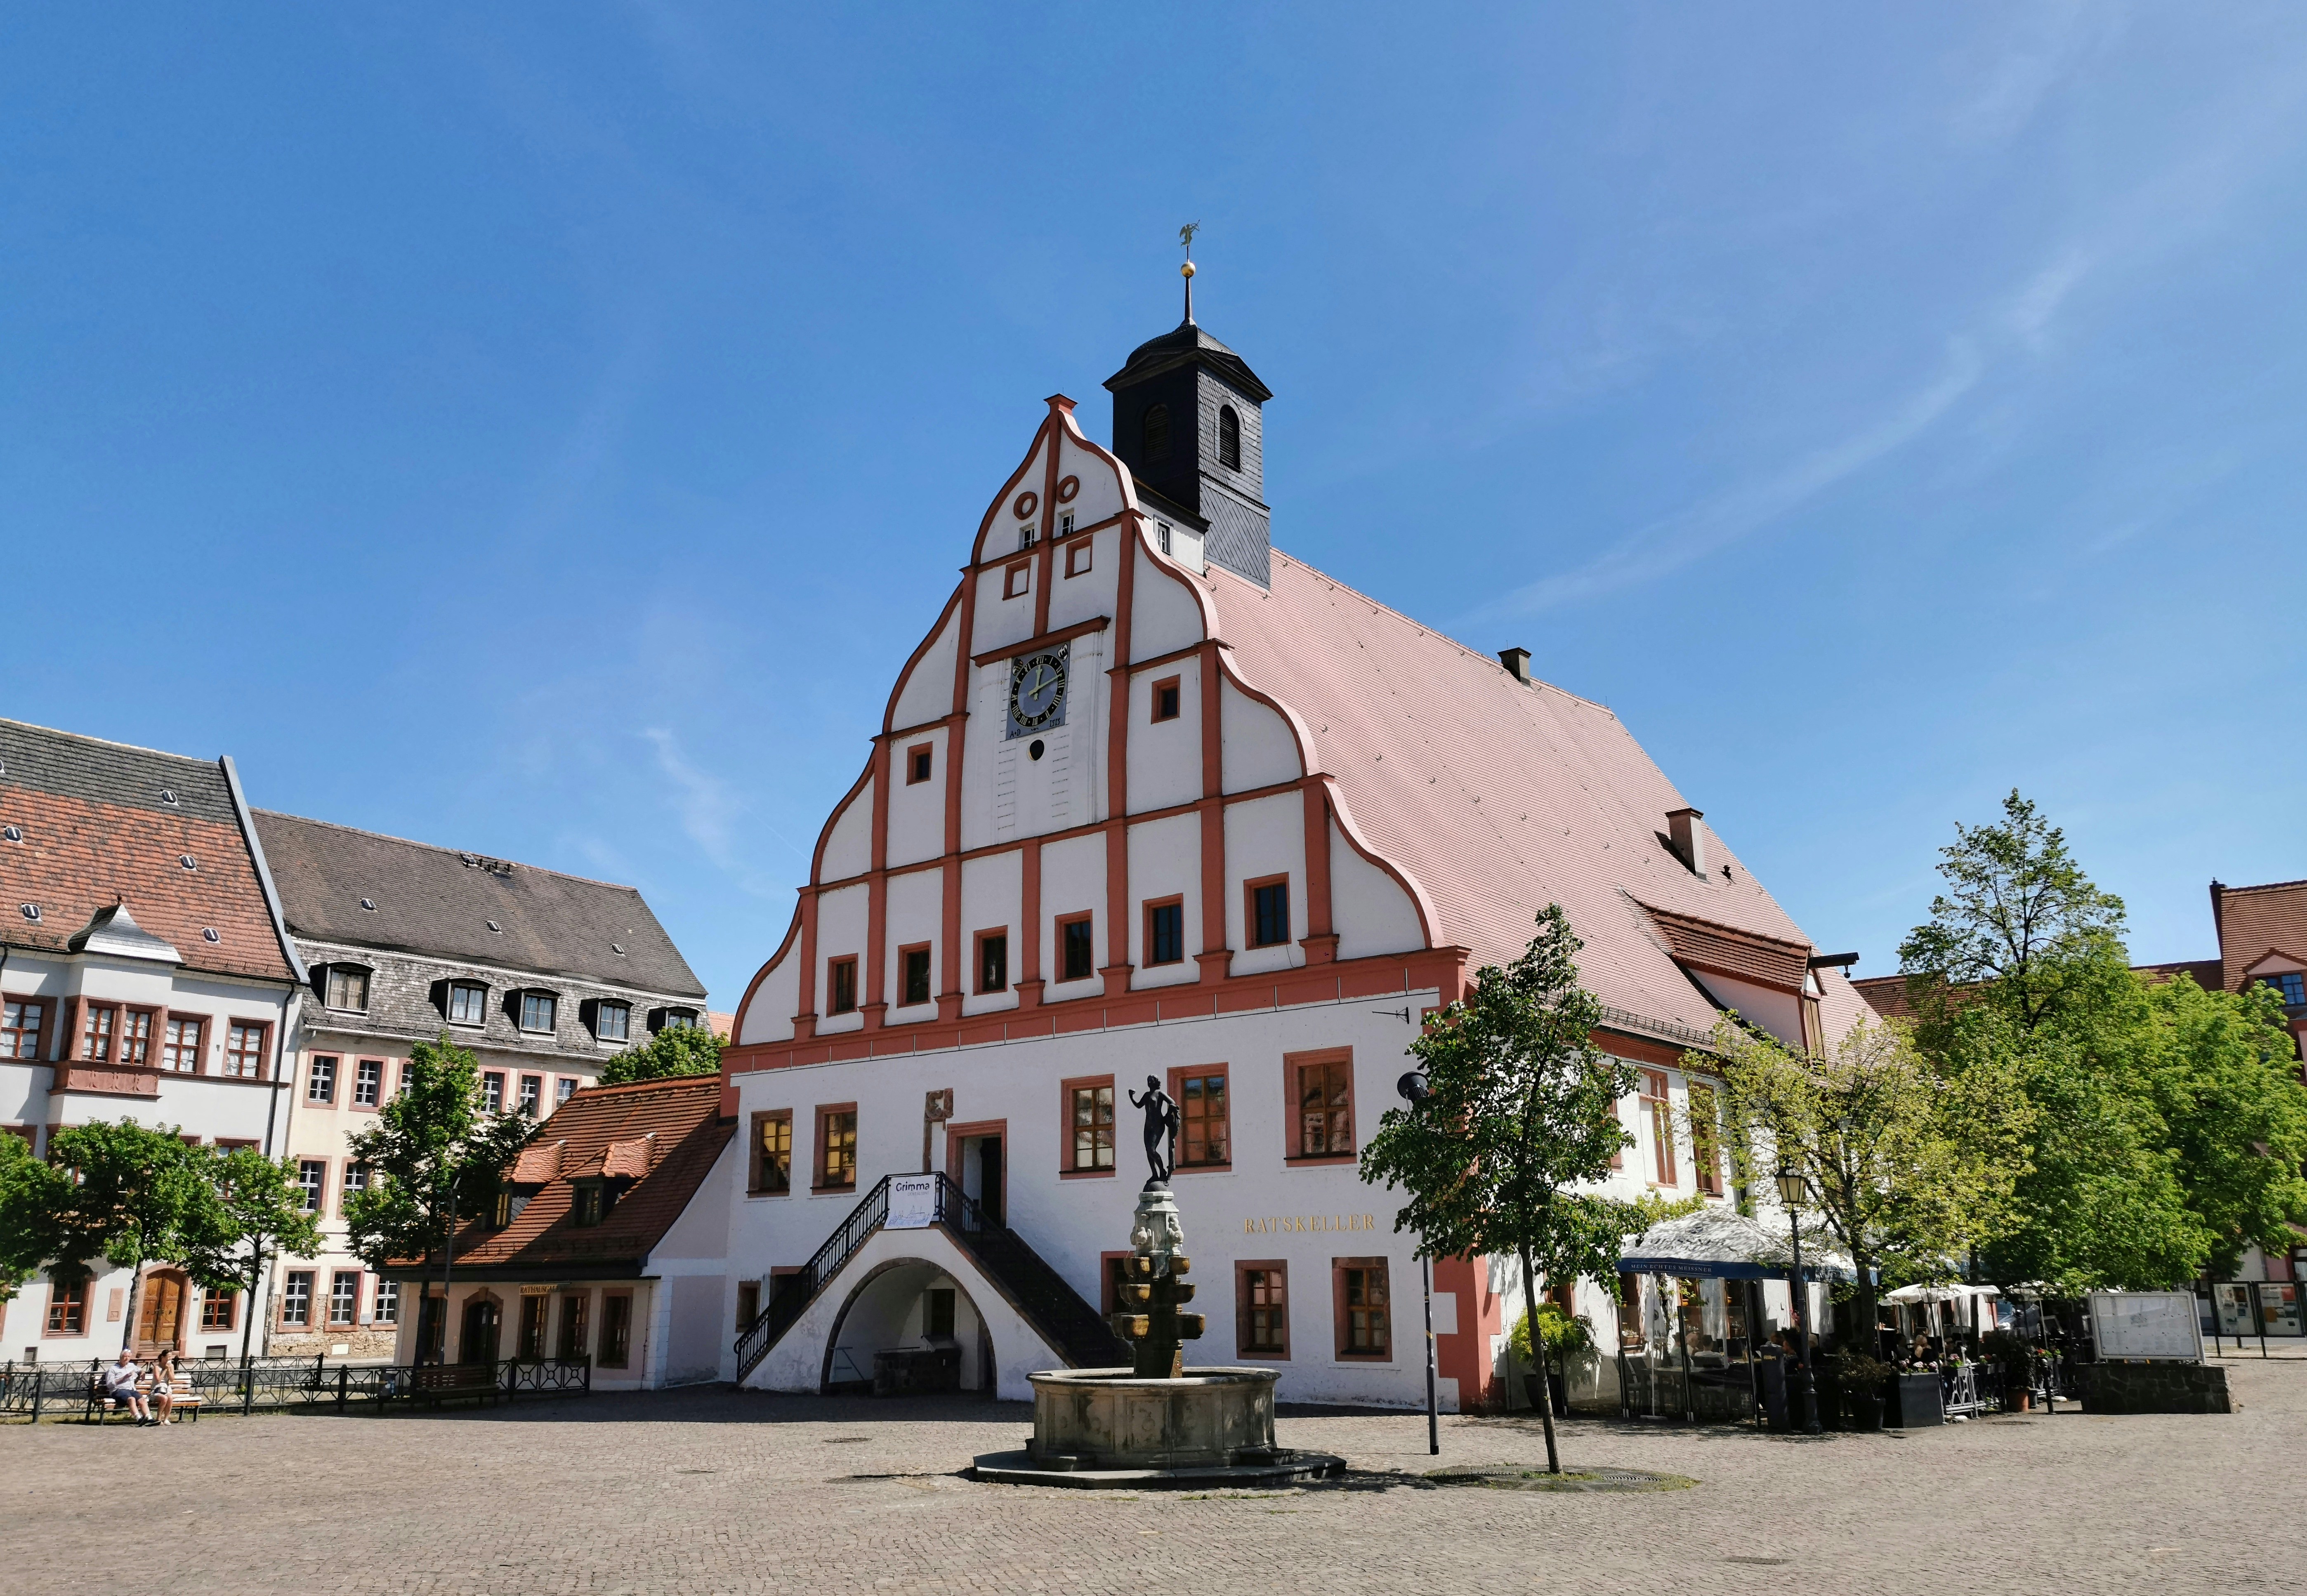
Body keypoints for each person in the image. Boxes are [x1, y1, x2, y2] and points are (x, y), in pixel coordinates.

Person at [99, 1348, 151, 1425]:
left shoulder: (131, 1366)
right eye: (125, 1356)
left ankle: (149, 1419)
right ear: (121, 1357)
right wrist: (123, 1378)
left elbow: (140, 1370)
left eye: (129, 1357)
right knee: (131, 1399)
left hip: (131, 1390)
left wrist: (142, 1373)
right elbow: (110, 1384)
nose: (127, 1358)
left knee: (142, 1400)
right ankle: (139, 1419)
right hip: (118, 1391)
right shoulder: (113, 1369)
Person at [151, 1348, 180, 1424]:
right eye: (168, 1357)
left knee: (170, 1398)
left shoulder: (172, 1366)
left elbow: (172, 1379)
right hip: (157, 1389)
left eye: (171, 1357)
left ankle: (166, 1419)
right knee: (164, 1398)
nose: (170, 1359)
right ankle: (159, 1419)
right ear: (163, 1358)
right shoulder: (157, 1367)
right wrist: (165, 1370)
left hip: (167, 1389)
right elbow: (159, 1380)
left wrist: (169, 1370)